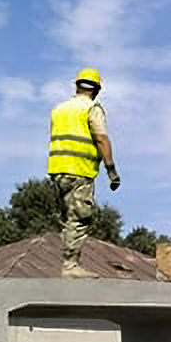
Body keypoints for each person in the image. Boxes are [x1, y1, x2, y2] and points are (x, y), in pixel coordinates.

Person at [48, 66, 120, 279]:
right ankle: (71, 266)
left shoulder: (60, 109)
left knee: (67, 218)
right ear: (97, 89)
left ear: (77, 86)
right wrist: (111, 170)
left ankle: (69, 263)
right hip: (80, 171)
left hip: (58, 171)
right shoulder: (92, 108)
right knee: (80, 218)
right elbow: (101, 139)